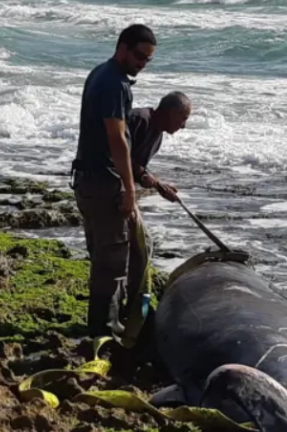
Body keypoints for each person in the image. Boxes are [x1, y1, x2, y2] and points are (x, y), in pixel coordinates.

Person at [71, 23, 156, 338]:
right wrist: (130, 189)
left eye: (147, 60)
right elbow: (117, 138)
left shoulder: (99, 73)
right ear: (122, 47)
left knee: (102, 254)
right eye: (138, 56)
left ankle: (104, 323)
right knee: (113, 259)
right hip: (104, 181)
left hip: (86, 179)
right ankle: (104, 330)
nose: (142, 64)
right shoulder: (115, 82)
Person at [128, 91, 192, 203]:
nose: (183, 126)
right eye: (183, 119)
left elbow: (136, 169)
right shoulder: (139, 120)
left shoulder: (157, 136)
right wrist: (153, 181)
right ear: (172, 113)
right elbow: (114, 154)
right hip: (99, 182)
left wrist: (160, 187)